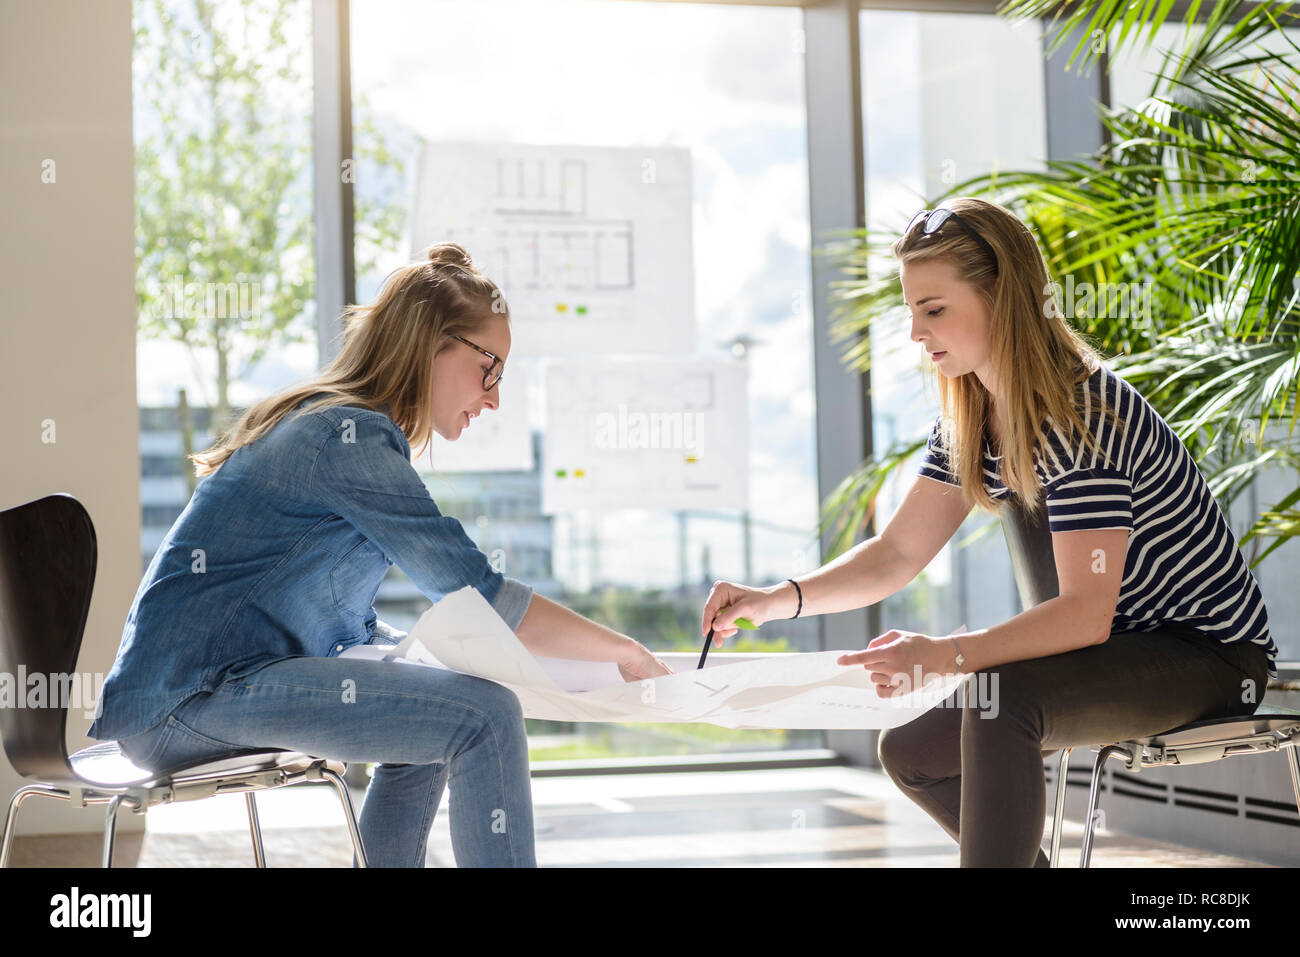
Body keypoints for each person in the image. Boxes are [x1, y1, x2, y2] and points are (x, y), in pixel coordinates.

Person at [698, 197, 1276, 867]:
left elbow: (1085, 615)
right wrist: (773, 598)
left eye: (934, 309)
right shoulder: (975, 417)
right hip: (1115, 645)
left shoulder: (1080, 411)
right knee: (913, 753)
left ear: (1003, 295)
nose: (917, 332)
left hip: (1209, 655)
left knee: (1005, 703)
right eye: (911, 310)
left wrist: (943, 652)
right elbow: (897, 553)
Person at [88, 242, 673, 868]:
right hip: (188, 698)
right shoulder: (346, 437)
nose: (495, 397)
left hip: (204, 689)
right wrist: (625, 651)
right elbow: (482, 595)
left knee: (441, 701)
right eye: (490, 368)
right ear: (434, 345)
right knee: (483, 715)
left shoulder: (342, 431)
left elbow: (342, 615)